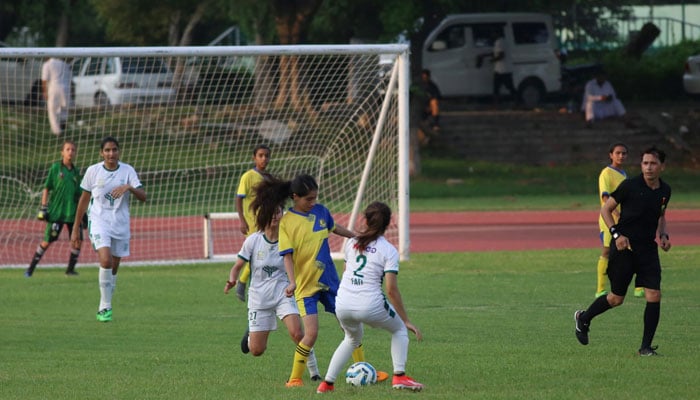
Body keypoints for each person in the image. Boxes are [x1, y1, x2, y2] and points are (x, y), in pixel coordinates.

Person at [253, 174, 387, 387]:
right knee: (311, 334)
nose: (313, 202)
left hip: (331, 283)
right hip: (306, 286)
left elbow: (335, 228)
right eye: (308, 199)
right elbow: (286, 255)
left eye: (315, 198)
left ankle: (363, 367)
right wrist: (291, 282)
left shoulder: (321, 211)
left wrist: (356, 237)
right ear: (295, 197)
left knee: (350, 328)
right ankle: (295, 378)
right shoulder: (287, 222)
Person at [316, 202, 424, 393]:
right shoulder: (388, 250)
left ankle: (327, 384)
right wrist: (406, 320)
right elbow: (391, 289)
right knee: (399, 330)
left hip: (342, 303)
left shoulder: (351, 243)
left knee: (351, 338)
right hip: (370, 304)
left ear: (364, 220)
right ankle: (399, 376)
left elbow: (347, 272)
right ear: (389, 224)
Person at [575, 146, 671, 356]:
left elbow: (661, 216)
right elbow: (605, 209)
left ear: (662, 166)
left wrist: (664, 235)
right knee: (616, 298)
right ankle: (584, 318)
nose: (648, 167)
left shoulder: (665, 191)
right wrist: (616, 235)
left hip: (647, 249)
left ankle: (645, 347)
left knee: (654, 294)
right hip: (625, 248)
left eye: (653, 163)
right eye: (645, 163)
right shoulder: (629, 186)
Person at [224, 206, 321, 380]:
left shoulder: (289, 239)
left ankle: (314, 373)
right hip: (258, 298)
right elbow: (237, 266)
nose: (275, 216)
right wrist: (232, 279)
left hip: (283, 293)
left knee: (298, 333)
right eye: (271, 212)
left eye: (278, 212)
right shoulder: (253, 240)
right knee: (256, 350)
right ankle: (250, 337)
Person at [71, 137, 146, 322]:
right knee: (105, 260)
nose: (111, 153)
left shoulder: (127, 171)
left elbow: (143, 196)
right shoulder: (93, 171)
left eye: (114, 150)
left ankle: (107, 303)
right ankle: (104, 307)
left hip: (120, 224)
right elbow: (83, 200)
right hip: (99, 221)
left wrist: (129, 187)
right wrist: (75, 228)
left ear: (119, 152)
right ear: (101, 153)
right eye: (107, 150)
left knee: (114, 267)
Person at [25, 140, 83, 277]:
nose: (70, 152)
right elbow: (46, 188)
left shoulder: (76, 173)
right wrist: (43, 207)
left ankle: (70, 270)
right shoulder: (56, 168)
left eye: (73, 150)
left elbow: (80, 195)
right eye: (68, 149)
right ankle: (30, 269)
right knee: (47, 241)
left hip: (72, 213)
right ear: (62, 152)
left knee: (77, 241)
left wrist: (83, 213)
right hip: (57, 213)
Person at [594, 143, 644, 299]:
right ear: (611, 155)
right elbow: (605, 196)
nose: (621, 156)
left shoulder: (624, 174)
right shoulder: (606, 173)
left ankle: (639, 286)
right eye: (618, 153)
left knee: (636, 249)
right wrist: (614, 212)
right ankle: (600, 289)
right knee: (607, 251)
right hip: (609, 219)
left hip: (625, 220)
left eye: (624, 153)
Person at [234, 144, 271, 302]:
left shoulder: (269, 177)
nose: (264, 158)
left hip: (267, 223)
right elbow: (239, 198)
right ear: (254, 157)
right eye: (260, 155)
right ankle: (242, 282)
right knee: (254, 256)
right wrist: (242, 220)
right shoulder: (248, 176)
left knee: (263, 256)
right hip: (252, 224)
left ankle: (247, 284)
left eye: (266, 156)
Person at [41, 57, 72, 136]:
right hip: (66, 88)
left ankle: (57, 131)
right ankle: (63, 123)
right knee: (64, 108)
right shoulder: (64, 64)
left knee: (52, 110)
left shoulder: (47, 64)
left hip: (54, 88)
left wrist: (44, 91)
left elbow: (44, 79)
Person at [490, 33, 518, 105]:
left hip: (502, 69)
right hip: (505, 69)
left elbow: (501, 55)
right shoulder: (504, 41)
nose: (491, 36)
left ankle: (497, 103)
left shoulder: (499, 42)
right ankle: (516, 101)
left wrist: (492, 60)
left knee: (497, 87)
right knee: (508, 87)